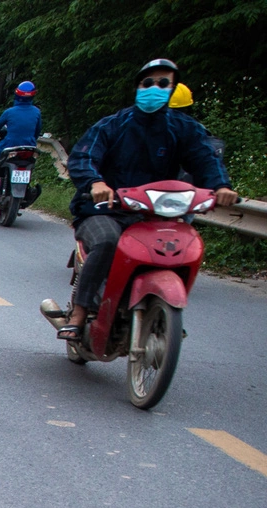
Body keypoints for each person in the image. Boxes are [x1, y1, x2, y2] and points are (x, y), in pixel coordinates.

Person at [60, 59, 237, 341]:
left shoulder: (184, 128)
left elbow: (205, 159)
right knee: (107, 241)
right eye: (148, 83)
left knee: (180, 246)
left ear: (172, 89)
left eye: (164, 83)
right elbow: (84, 156)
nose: (155, 88)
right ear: (138, 87)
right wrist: (96, 183)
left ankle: (162, 308)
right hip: (104, 210)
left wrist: (221, 187)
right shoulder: (112, 125)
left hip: (155, 214)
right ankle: (80, 312)